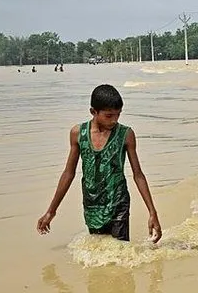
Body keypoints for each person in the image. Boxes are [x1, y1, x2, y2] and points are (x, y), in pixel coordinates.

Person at [36, 84, 163, 242]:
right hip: (92, 203)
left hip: (118, 201)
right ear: (93, 112)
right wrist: (51, 211)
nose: (114, 120)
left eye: (118, 115)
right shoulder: (78, 134)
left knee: (119, 251)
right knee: (99, 249)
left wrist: (152, 212)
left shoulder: (126, 134)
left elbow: (138, 175)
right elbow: (68, 173)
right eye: (109, 116)